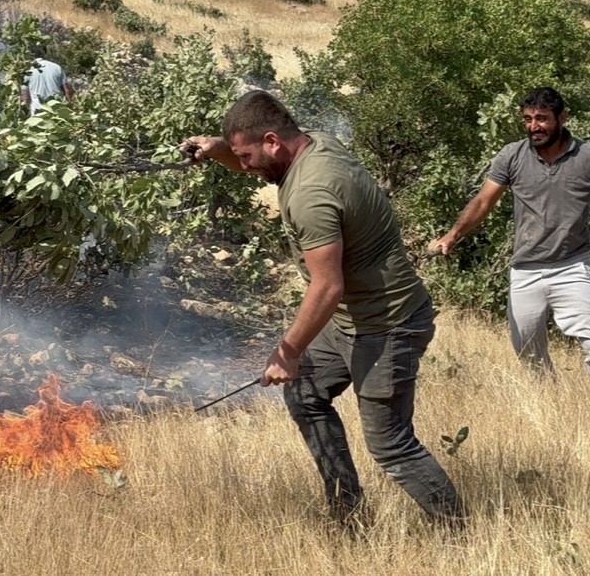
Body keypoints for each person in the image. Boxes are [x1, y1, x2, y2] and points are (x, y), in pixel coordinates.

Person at [186, 90, 463, 527]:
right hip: (352, 320)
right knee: (306, 395)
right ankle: (348, 514)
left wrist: (288, 352)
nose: (246, 166)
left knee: (390, 444)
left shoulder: (311, 193)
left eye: (247, 155)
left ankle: (459, 533)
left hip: (387, 324)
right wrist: (223, 151)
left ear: (274, 140)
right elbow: (262, 163)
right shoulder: (312, 143)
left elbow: (328, 286)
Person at [429, 87, 590, 390]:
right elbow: (483, 202)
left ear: (563, 117)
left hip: (573, 268)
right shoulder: (512, 155)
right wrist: (452, 236)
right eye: (528, 119)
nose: (534, 127)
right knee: (529, 354)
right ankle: (549, 412)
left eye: (542, 118)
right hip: (525, 270)